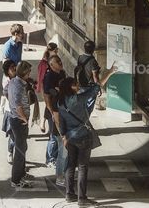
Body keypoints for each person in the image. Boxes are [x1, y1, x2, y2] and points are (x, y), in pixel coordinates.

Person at [54, 70, 116, 205]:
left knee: (70, 166)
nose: (78, 86)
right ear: (71, 87)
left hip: (70, 138)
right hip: (83, 137)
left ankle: (69, 194)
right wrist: (109, 72)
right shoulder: (78, 99)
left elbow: (61, 123)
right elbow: (95, 88)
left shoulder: (61, 102)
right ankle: (82, 198)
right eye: (76, 84)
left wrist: (64, 136)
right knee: (82, 167)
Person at [6, 60, 33, 189]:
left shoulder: (14, 82)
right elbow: (18, 105)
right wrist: (24, 118)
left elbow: (6, 92)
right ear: (25, 72)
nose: (30, 74)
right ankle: (16, 179)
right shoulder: (18, 85)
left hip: (16, 119)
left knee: (22, 148)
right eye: (29, 72)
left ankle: (20, 175)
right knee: (20, 151)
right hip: (19, 120)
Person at [42, 55, 66, 185]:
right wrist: (51, 111)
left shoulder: (62, 73)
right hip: (54, 109)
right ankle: (50, 159)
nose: (60, 62)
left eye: (59, 60)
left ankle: (57, 162)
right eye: (57, 61)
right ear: (51, 64)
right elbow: (46, 95)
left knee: (59, 139)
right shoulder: (49, 76)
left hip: (61, 108)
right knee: (54, 136)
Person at [35, 42, 58, 132]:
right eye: (55, 50)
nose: (56, 52)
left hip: (49, 86)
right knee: (49, 104)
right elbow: (42, 76)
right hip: (47, 87)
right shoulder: (46, 63)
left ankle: (43, 122)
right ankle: (44, 122)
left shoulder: (48, 60)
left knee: (49, 104)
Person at [75, 40, 103, 113]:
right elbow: (95, 77)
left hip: (80, 84)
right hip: (89, 86)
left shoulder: (80, 57)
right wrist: (98, 88)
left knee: (81, 105)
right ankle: (84, 120)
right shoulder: (93, 61)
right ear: (93, 49)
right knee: (88, 107)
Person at [0, 59, 17, 164]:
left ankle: (19, 156)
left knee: (18, 137)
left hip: (19, 111)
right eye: (11, 67)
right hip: (11, 111)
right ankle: (10, 152)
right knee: (13, 135)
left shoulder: (17, 77)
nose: (14, 68)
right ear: (7, 71)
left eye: (15, 66)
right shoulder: (7, 81)